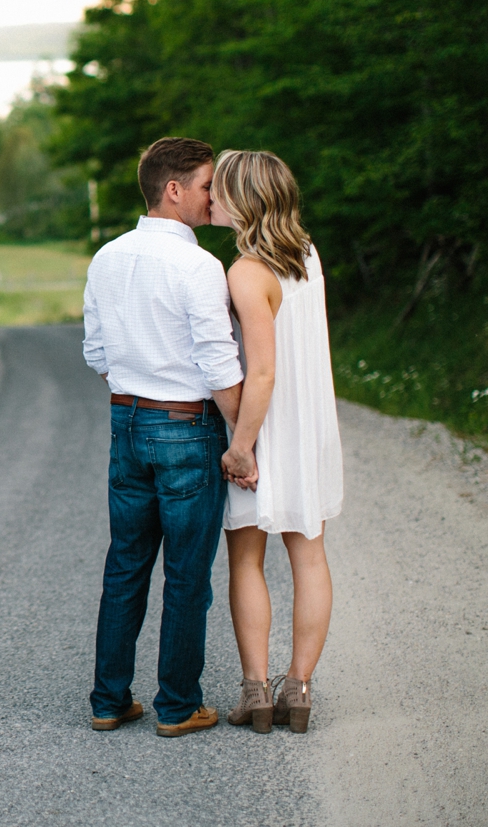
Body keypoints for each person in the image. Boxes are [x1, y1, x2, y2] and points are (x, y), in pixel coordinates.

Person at [83, 137, 244, 738]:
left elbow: (97, 352)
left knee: (125, 564)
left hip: (125, 422)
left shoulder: (106, 257)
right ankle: (177, 706)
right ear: (173, 190)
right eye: (207, 186)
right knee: (185, 573)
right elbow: (219, 365)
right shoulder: (199, 266)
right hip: (185, 427)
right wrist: (242, 441)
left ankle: (109, 700)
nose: (213, 199)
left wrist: (138, 385)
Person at [210, 150, 343, 735]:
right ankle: (301, 688)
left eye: (217, 187)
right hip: (308, 426)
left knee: (246, 558)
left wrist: (241, 448)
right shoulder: (306, 255)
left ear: (242, 198)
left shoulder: (245, 270)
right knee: (309, 555)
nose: (208, 195)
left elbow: (260, 372)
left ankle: (256, 692)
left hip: (264, 429)